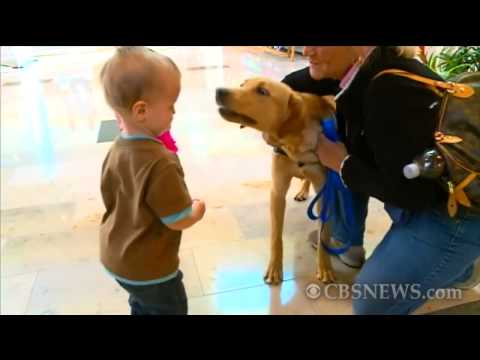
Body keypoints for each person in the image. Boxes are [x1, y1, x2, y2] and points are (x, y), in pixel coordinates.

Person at [283, 46, 480, 314]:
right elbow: (296, 82)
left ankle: (457, 257)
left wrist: (342, 163)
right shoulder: (364, 64)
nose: (306, 51)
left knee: (370, 300)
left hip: (459, 212)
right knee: (345, 156)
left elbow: (416, 196)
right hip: (431, 185)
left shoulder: (388, 90)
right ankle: (458, 269)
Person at [99, 47, 206, 315]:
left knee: (141, 302)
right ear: (141, 111)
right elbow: (177, 218)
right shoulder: (161, 161)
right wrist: (197, 210)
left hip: (116, 255)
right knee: (168, 308)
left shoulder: (116, 148)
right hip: (151, 268)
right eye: (171, 105)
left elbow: (110, 195)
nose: (174, 113)